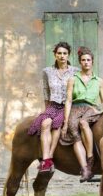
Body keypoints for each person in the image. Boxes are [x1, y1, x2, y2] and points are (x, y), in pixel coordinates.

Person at [27, 42, 79, 172]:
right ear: (55, 55)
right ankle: (46, 159)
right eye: (59, 53)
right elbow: (46, 91)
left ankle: (48, 158)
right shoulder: (47, 71)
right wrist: (47, 109)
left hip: (68, 106)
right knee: (45, 123)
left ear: (68, 55)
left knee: (56, 125)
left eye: (64, 53)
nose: (62, 56)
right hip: (53, 105)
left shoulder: (75, 72)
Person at [61, 47, 103, 182]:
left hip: (91, 108)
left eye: (88, 60)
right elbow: (68, 100)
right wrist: (65, 122)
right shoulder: (72, 79)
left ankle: (90, 157)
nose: (86, 62)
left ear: (92, 62)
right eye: (83, 60)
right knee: (73, 131)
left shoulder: (99, 81)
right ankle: (85, 169)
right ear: (80, 62)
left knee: (83, 122)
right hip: (75, 108)